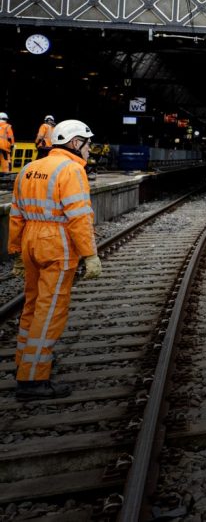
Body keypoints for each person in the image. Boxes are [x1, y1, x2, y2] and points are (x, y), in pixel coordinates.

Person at [8, 119, 102, 401]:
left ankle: (24, 362)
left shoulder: (30, 168)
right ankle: (33, 379)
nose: (89, 151)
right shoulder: (71, 170)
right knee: (51, 310)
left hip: (30, 241)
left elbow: (16, 213)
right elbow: (79, 218)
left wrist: (16, 252)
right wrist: (90, 255)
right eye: (88, 145)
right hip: (56, 244)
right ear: (75, 143)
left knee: (32, 306)